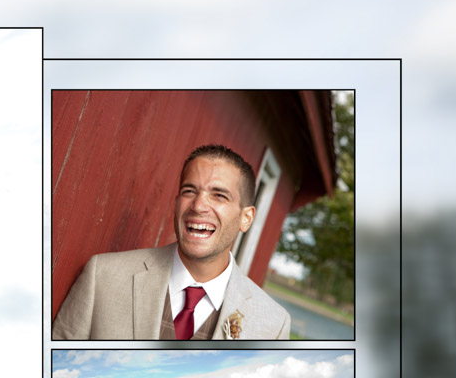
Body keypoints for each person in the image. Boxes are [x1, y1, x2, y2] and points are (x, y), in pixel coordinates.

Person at [51, 144, 291, 340]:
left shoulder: (272, 324)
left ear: (246, 217)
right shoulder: (102, 276)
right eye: (189, 191)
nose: (198, 206)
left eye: (219, 195)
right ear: (176, 202)